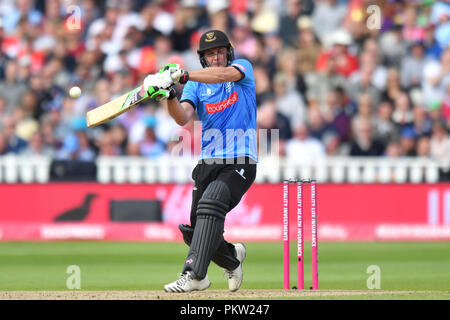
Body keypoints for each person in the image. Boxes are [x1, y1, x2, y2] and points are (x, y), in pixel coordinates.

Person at [143, 30, 257, 293]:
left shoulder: (242, 69)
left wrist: (183, 75)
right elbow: (182, 118)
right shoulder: (196, 85)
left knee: (212, 201)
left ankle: (194, 275)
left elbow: (223, 75)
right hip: (208, 161)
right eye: (209, 54)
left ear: (228, 52)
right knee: (196, 232)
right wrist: (168, 95)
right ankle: (232, 258)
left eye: (219, 52)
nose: (216, 58)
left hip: (240, 158)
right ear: (203, 58)